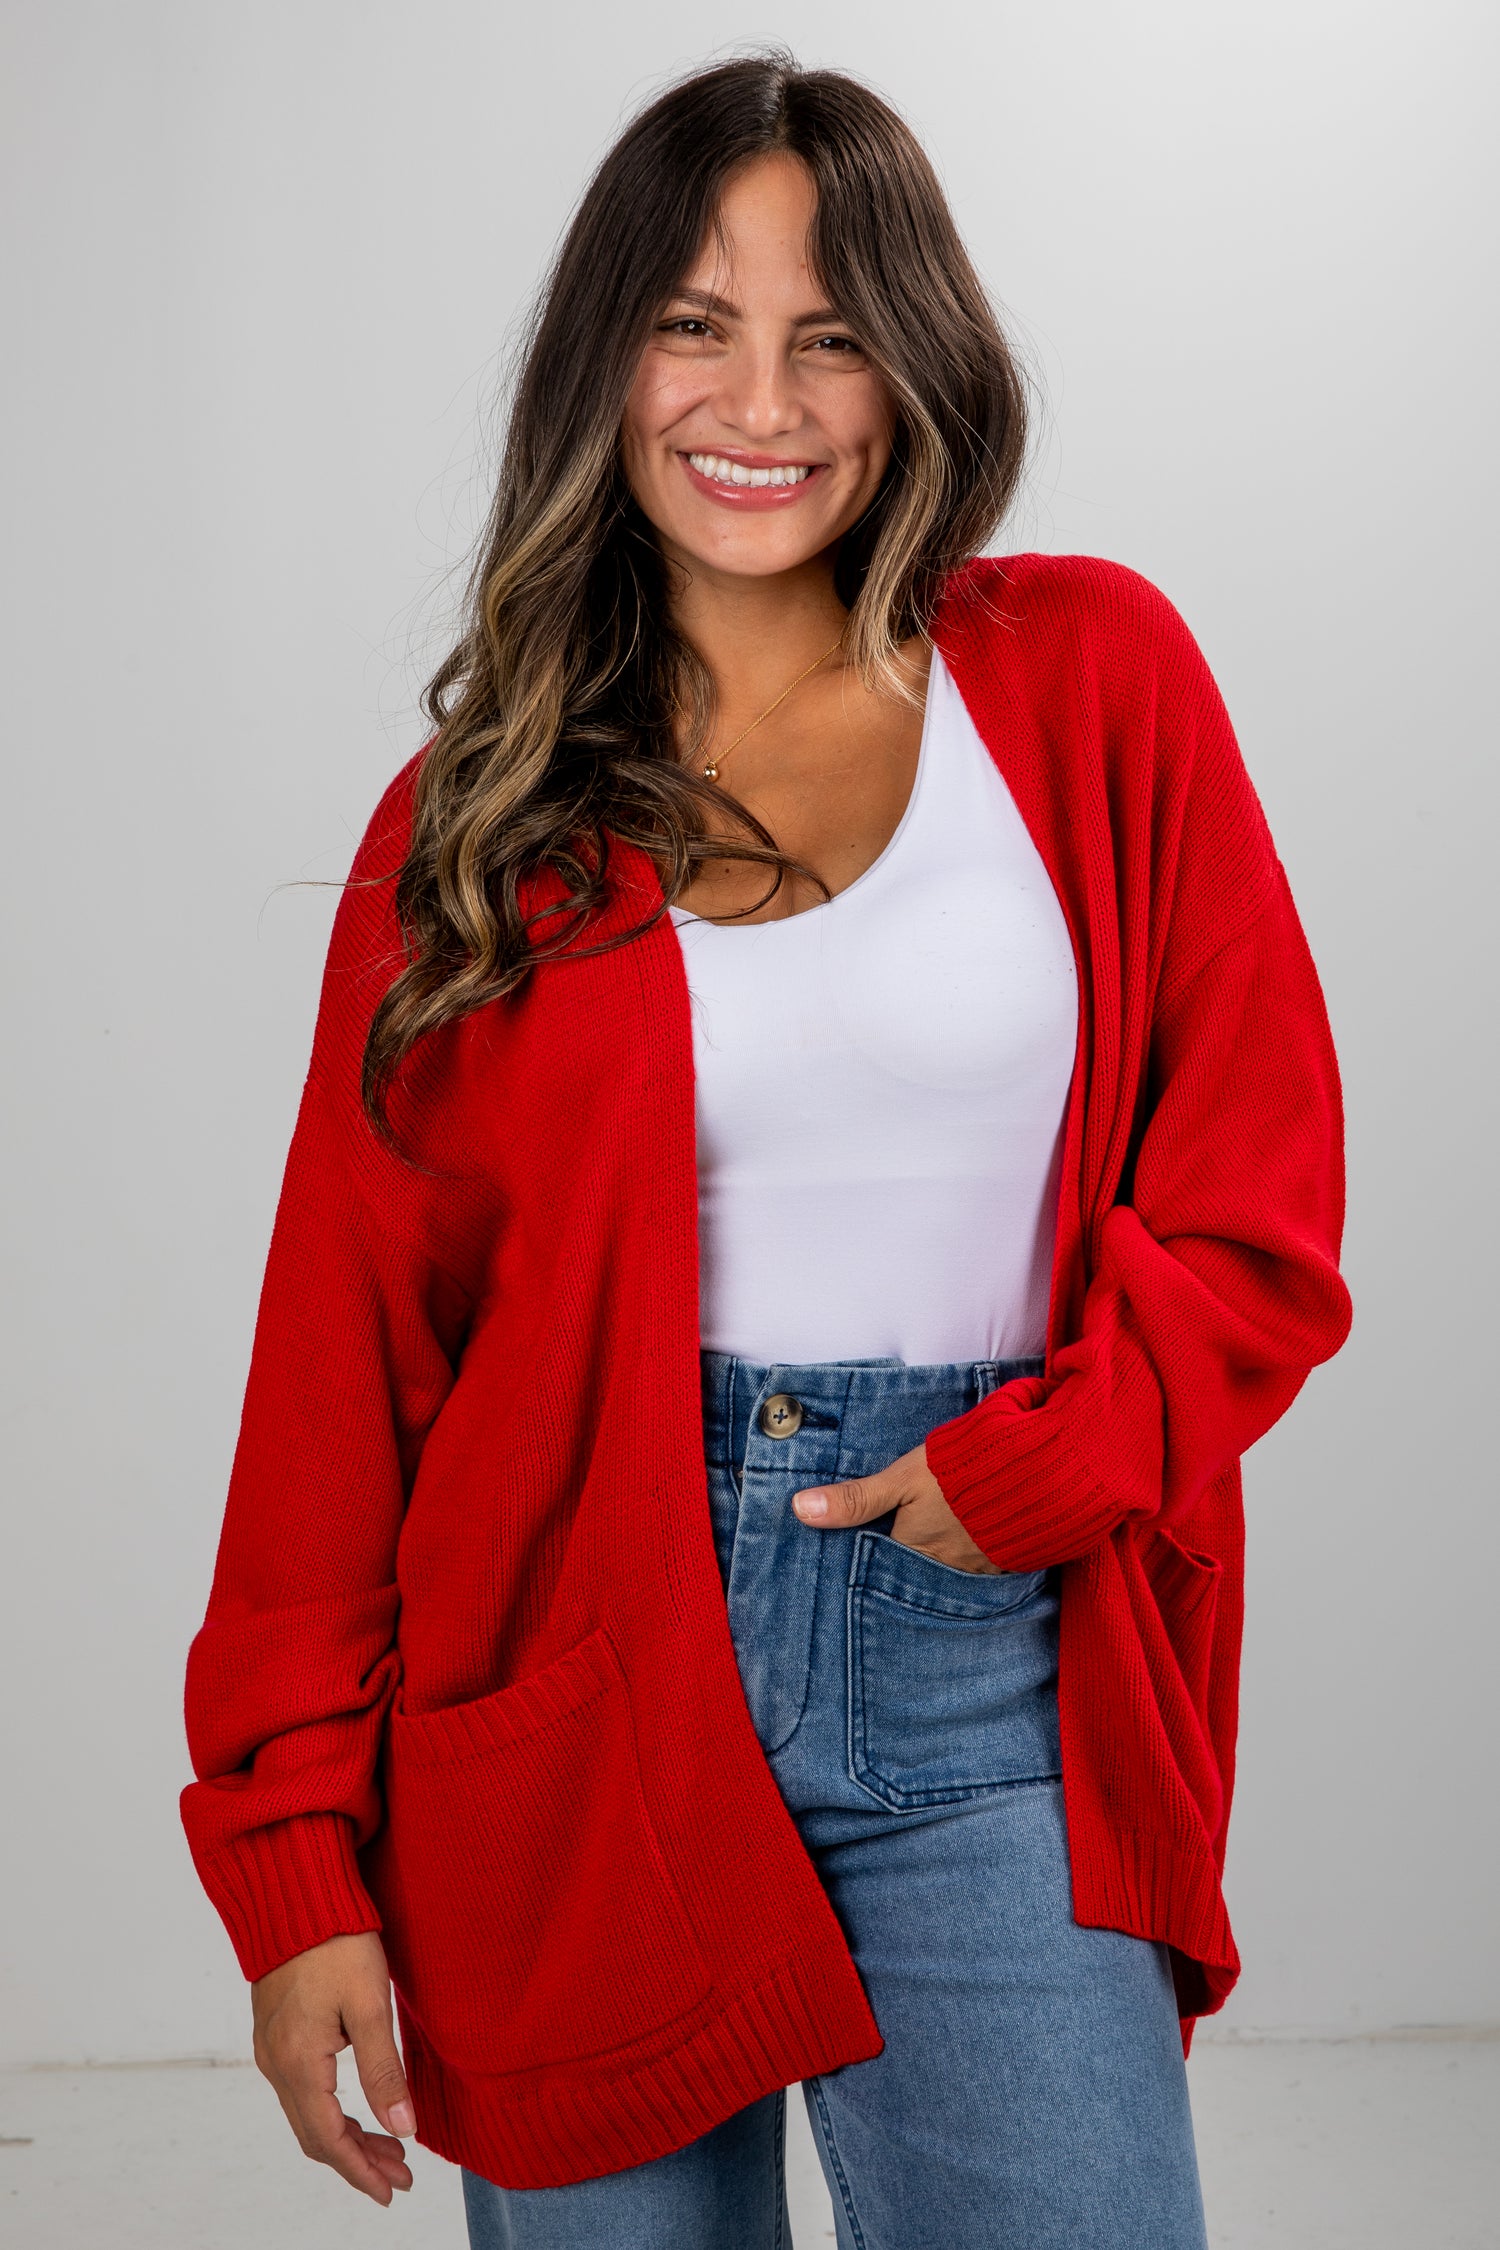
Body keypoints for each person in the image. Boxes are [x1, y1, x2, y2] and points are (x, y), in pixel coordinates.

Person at [180, 52, 1353, 2250]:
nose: (766, 397)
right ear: (606, 357)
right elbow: (344, 1366)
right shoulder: (481, 830)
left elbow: (1260, 1209)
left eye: (831, 332)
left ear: (915, 365)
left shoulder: (1091, 681)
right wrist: (292, 1861)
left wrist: (1048, 1468)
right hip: (568, 1661)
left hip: (982, 1637)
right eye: (696, 322)